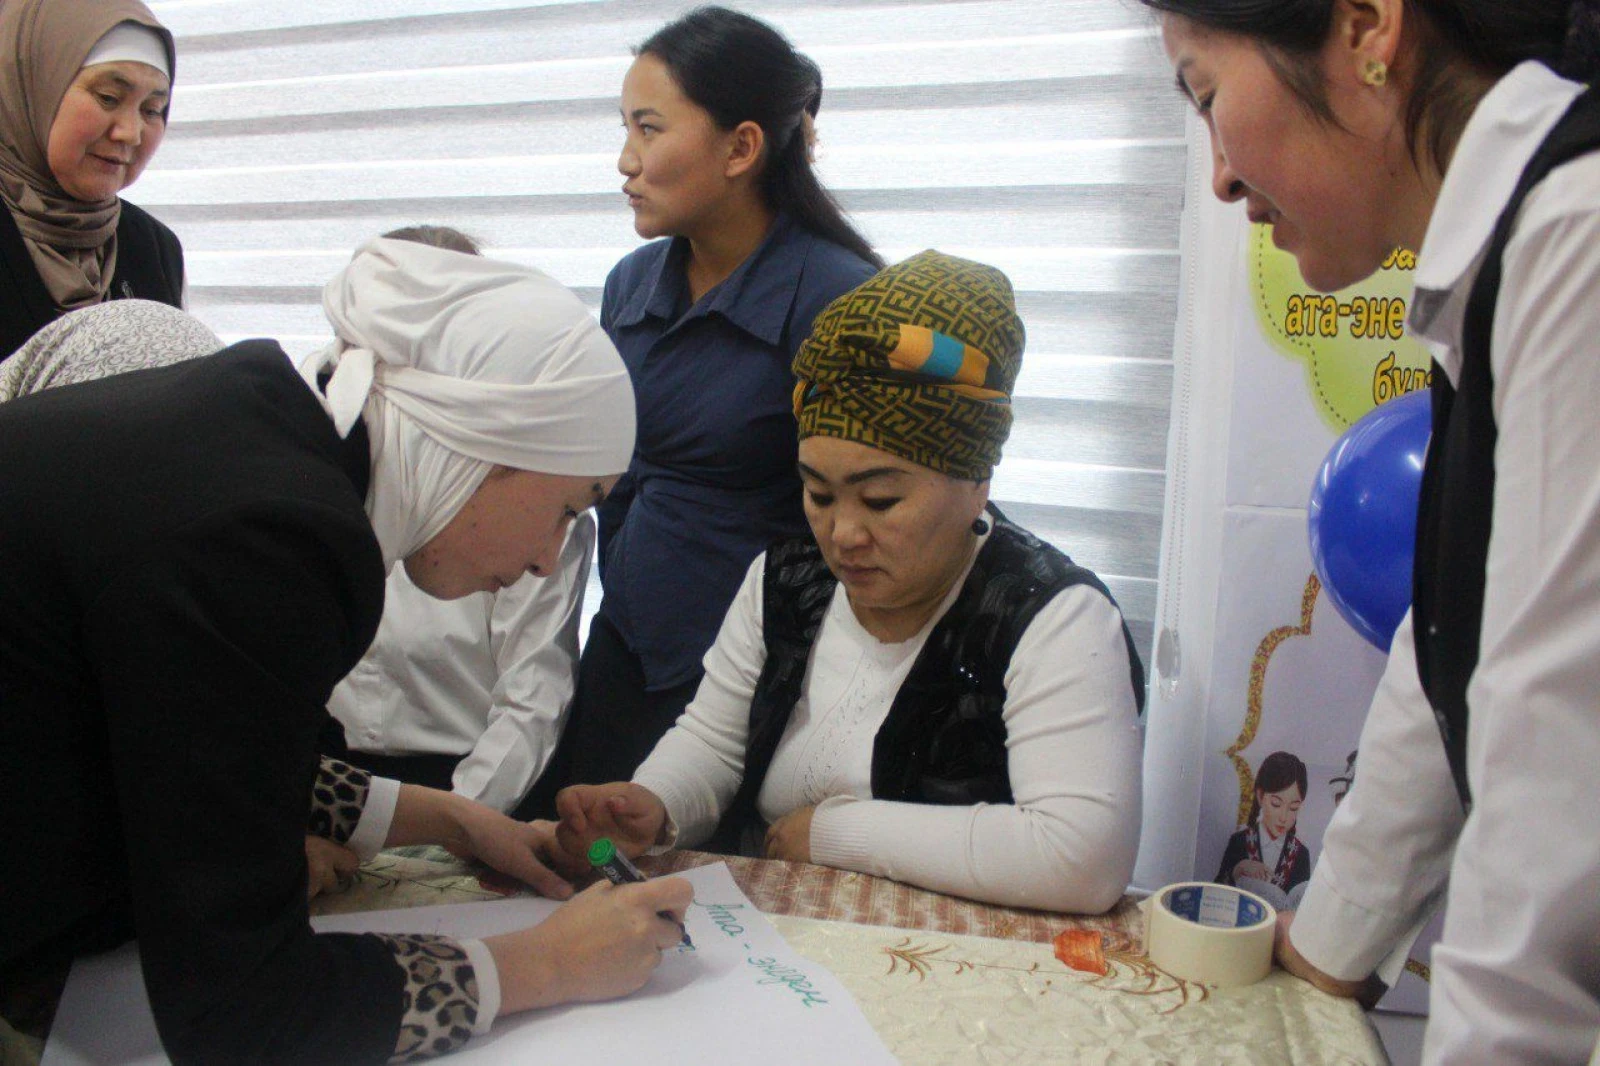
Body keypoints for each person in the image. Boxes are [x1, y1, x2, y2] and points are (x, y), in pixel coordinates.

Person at [0, 239, 691, 1064]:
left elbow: (204, 748)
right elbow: (244, 1018)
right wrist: (545, 964)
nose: (550, 558)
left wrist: (460, 821)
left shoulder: (258, 420)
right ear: (490, 444)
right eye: (570, 509)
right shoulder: (269, 537)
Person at [1147, 0, 1600, 1060]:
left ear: (1365, 27)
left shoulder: (1575, 236)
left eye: (1206, 96)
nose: (1219, 179)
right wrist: (1329, 946)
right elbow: (1451, 644)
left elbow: (1555, 794)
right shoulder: (1503, 265)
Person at [553, 251, 1145, 914]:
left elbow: (1081, 857)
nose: (843, 535)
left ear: (977, 481)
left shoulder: (1053, 617)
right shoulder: (786, 579)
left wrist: (835, 834)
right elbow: (715, 743)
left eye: (881, 500)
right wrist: (655, 804)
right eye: (818, 493)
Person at [526, 6, 882, 813]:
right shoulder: (630, 283)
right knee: (587, 845)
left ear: (741, 148)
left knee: (706, 875)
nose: (625, 160)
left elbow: (865, 521)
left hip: (756, 673)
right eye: (624, 128)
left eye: (649, 129)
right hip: (627, 642)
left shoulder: (839, 300)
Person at [322, 225, 596, 813]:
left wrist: (456, 825)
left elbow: (532, 698)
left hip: (466, 783)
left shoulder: (536, 501)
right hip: (323, 778)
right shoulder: (317, 462)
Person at [0, 0, 184, 359]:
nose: (130, 132)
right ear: (33, 88)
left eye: (152, 110)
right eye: (108, 98)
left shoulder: (154, 248)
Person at [1214, 751, 1311, 911]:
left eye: (1293, 808)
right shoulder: (1240, 841)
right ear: (1260, 796)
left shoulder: (1301, 854)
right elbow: (1215, 894)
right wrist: (1237, 870)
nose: (1283, 817)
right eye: (1276, 804)